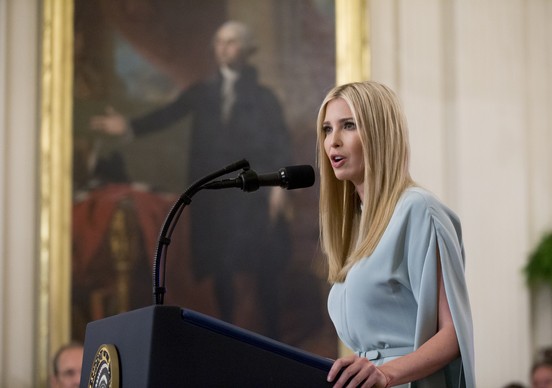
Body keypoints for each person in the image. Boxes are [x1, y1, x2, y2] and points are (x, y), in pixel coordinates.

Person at [90, 20, 292, 339]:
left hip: (251, 195)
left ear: (247, 49)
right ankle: (228, 336)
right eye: (219, 42)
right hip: (214, 196)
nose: (223, 48)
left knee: (261, 263)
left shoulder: (265, 97)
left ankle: (273, 337)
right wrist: (128, 126)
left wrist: (279, 186)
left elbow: (280, 141)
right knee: (219, 267)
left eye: (232, 42)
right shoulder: (203, 92)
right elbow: (168, 115)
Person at [315, 81, 475, 387]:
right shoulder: (357, 227)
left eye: (348, 126)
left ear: (379, 134)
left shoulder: (418, 210)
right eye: (326, 129)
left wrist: (386, 372)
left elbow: (455, 333)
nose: (333, 141)